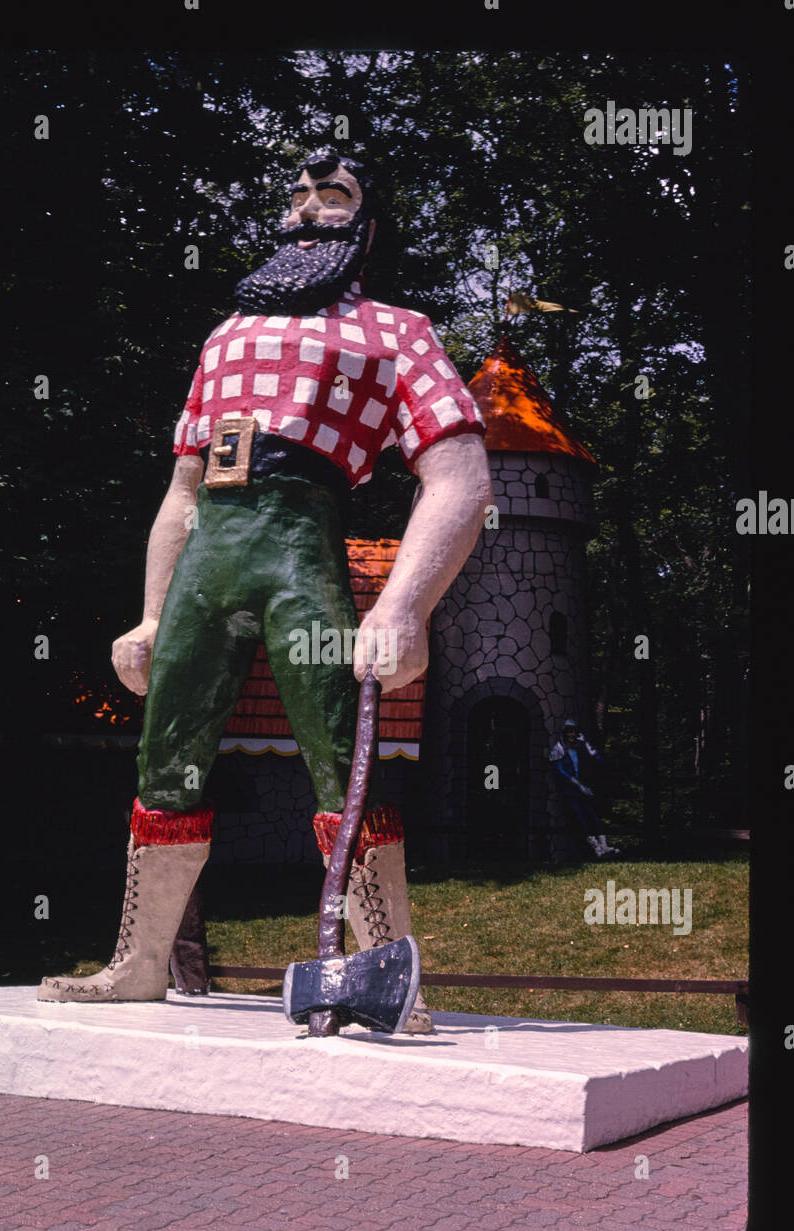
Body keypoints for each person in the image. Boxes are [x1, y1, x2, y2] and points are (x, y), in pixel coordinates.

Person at [37, 145, 493, 1032]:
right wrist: (152, 613)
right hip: (213, 547)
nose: (310, 207)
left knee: (341, 757)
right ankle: (138, 962)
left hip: (301, 547)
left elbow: (462, 478)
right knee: (164, 756)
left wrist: (404, 604)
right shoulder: (224, 335)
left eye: (335, 194)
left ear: (366, 223)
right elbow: (180, 490)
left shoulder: (397, 331)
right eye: (300, 195)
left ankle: (390, 977)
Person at [549, 718, 619, 858]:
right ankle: (596, 847)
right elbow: (561, 771)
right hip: (571, 791)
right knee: (579, 819)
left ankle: (604, 846)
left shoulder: (581, 747)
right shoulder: (559, 749)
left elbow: (595, 759)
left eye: (573, 732)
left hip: (585, 788)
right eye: (569, 732)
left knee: (594, 815)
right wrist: (578, 785)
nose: (571, 735)